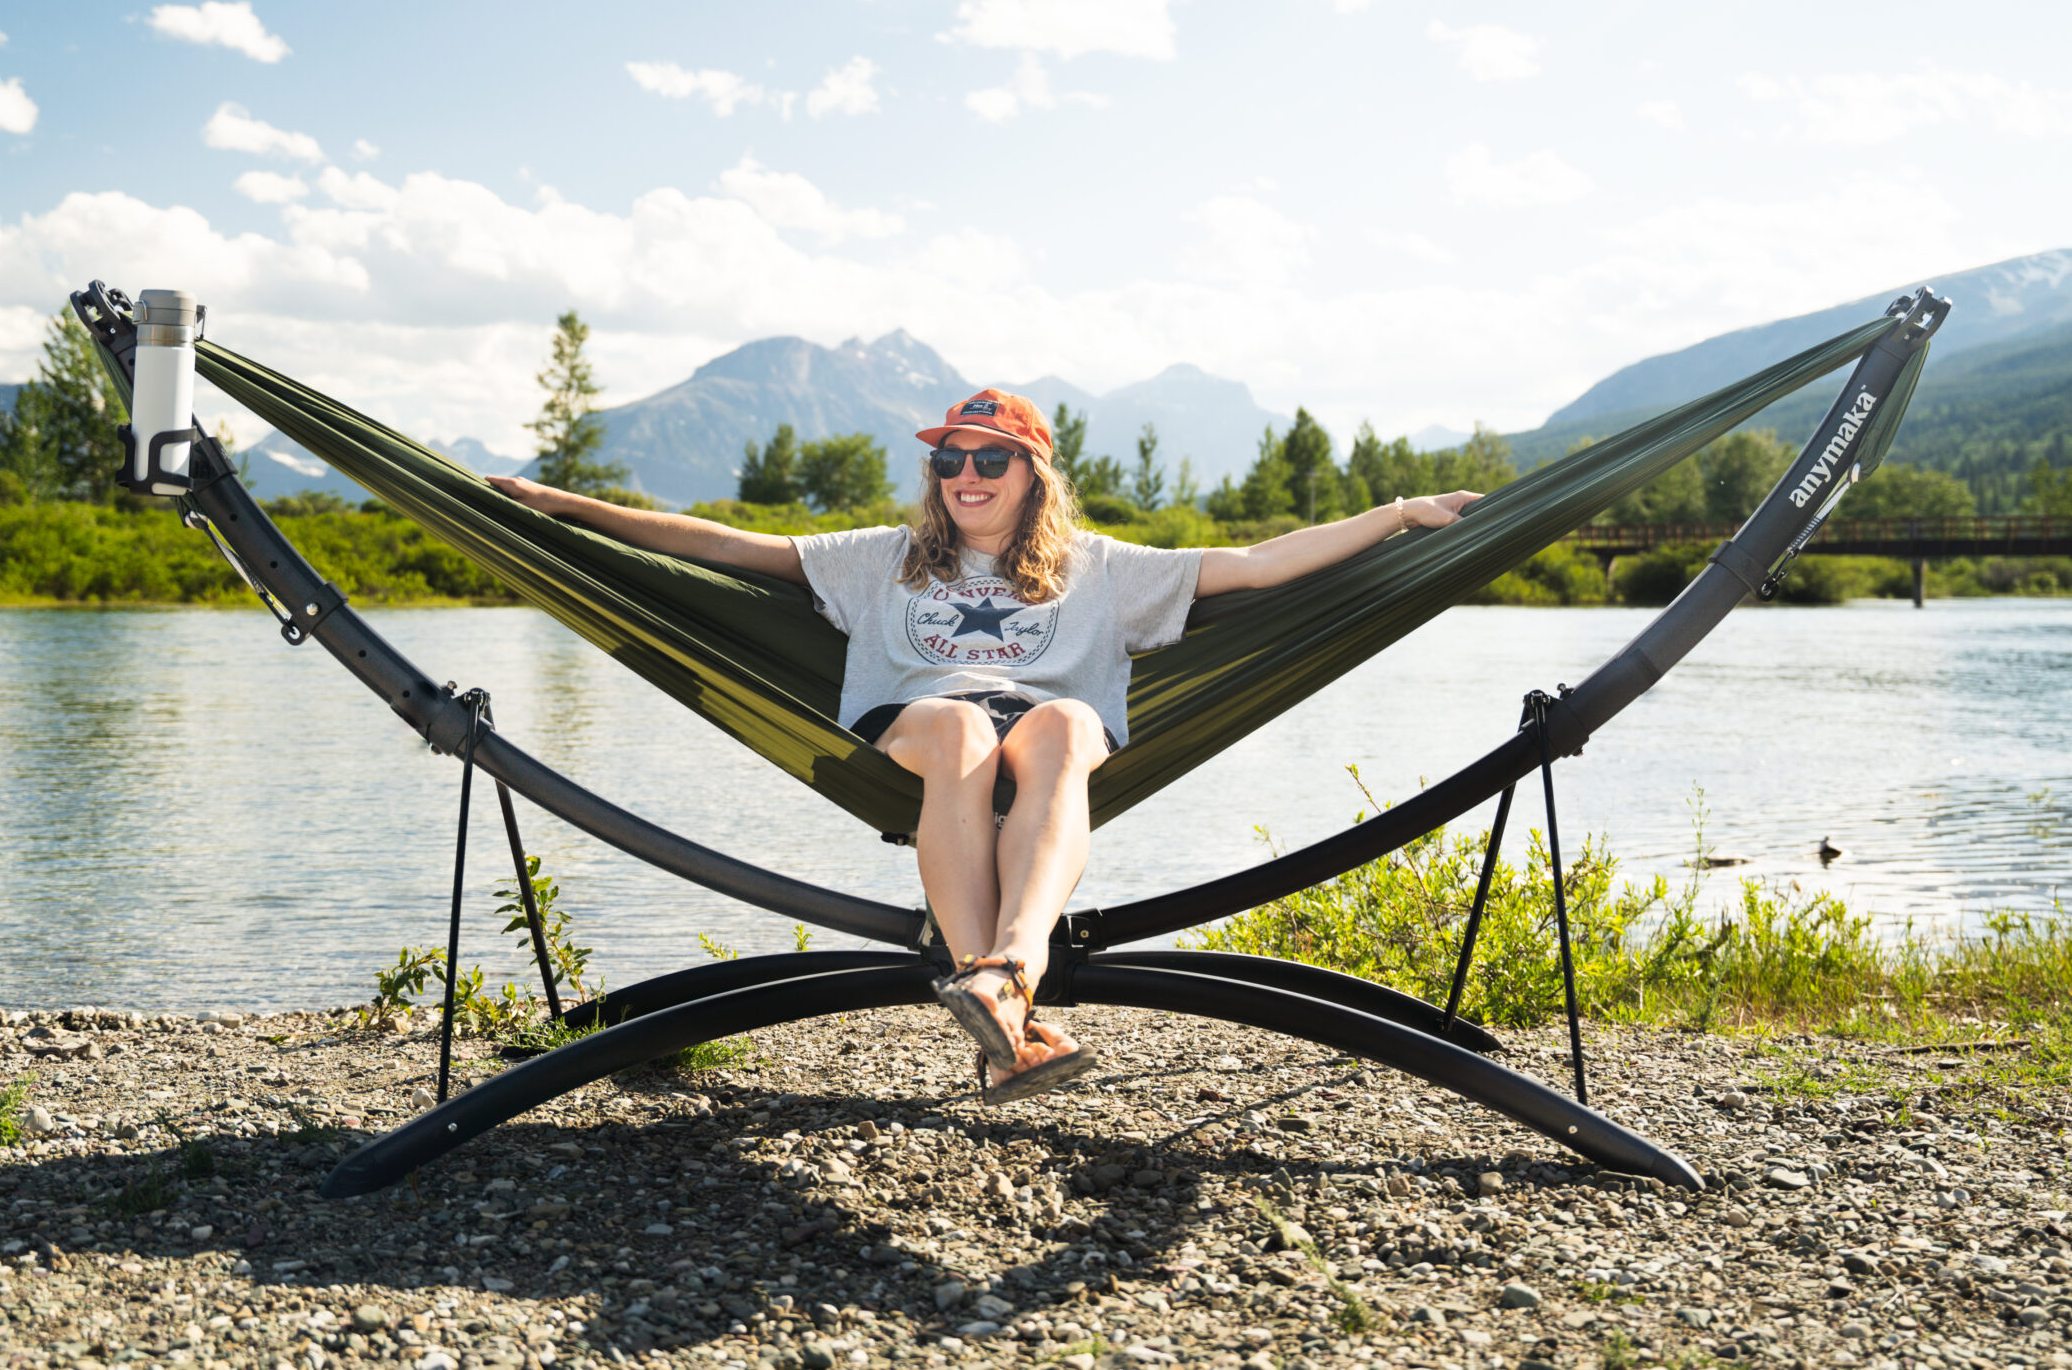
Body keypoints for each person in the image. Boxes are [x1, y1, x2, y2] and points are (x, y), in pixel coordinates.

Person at [488, 389, 1479, 1102]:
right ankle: (999, 983)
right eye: (948, 460)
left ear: (1031, 473)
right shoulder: (881, 559)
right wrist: (563, 509)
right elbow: (710, 543)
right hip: (926, 728)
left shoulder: (1103, 571)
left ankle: (1001, 979)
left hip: (1051, 735)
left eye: (987, 457)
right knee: (963, 724)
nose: (964, 474)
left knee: (1059, 725)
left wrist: (1397, 515)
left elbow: (1261, 566)